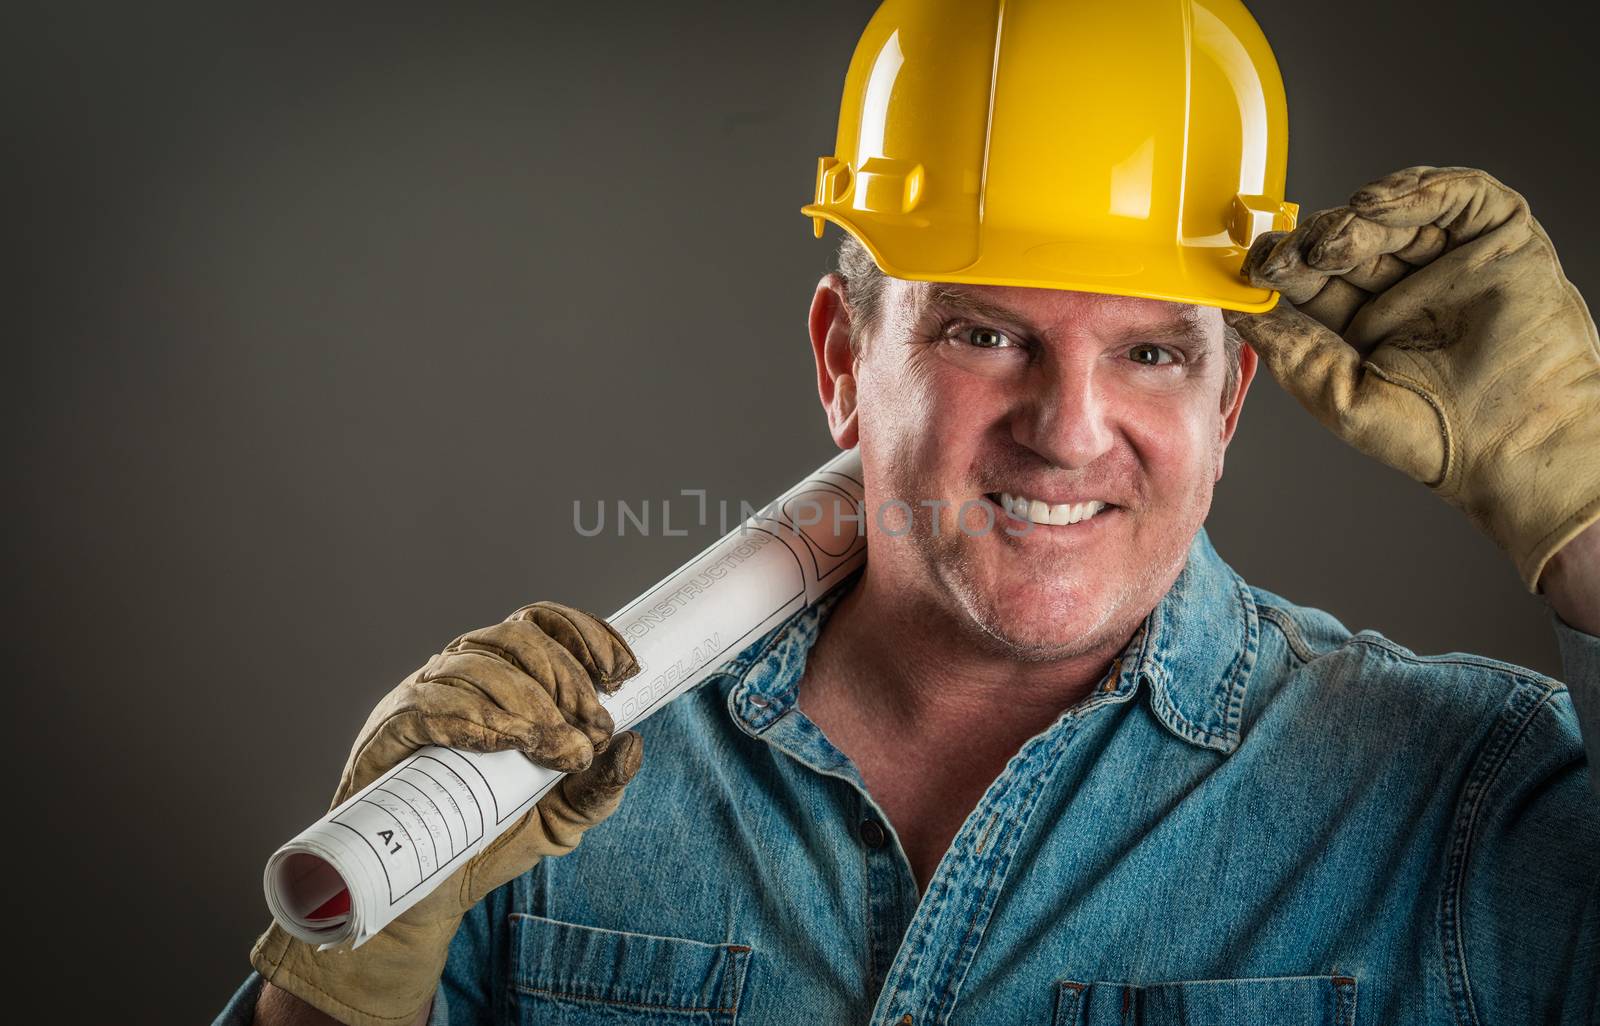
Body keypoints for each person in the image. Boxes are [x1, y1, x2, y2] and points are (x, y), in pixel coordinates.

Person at [217, 1, 1600, 1023]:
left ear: (1228, 403)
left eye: (1153, 352)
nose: (1067, 430)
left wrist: (1590, 516)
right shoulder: (550, 794)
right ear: (841, 361)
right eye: (987, 334)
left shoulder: (1459, 801)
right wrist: (343, 979)